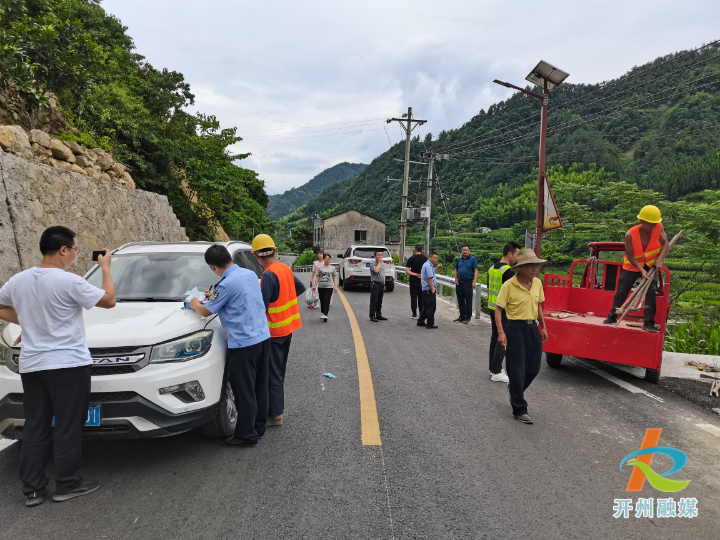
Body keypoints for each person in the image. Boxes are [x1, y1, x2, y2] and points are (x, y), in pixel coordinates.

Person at [0, 226, 116, 507]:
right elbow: (109, 300)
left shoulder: (19, 280)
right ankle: (67, 483)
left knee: (36, 426)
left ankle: (32, 490)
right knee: (67, 426)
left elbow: (1, 306)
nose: (76, 255)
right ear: (63, 249)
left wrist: (27, 319)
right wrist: (106, 268)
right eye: (75, 249)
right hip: (68, 365)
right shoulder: (69, 282)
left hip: (32, 365)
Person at [189, 245, 271, 448]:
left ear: (212, 266)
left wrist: (193, 302)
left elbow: (205, 312)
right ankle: (259, 428)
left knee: (244, 391)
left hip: (244, 344)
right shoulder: (249, 274)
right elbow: (238, 297)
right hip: (263, 337)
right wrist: (215, 294)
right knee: (260, 386)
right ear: (229, 257)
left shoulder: (225, 285)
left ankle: (245, 436)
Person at [252, 234, 306, 428]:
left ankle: (275, 415)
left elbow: (261, 306)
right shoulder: (284, 268)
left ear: (256, 257)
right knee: (279, 371)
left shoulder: (267, 275)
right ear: (274, 251)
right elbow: (300, 287)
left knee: (272, 374)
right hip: (287, 328)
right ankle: (275, 408)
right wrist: (284, 297)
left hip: (274, 332)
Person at [495, 249, 549, 425]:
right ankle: (519, 408)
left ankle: (515, 389)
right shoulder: (509, 285)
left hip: (532, 328)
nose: (535, 269)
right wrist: (501, 332)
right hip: (515, 328)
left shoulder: (537, 284)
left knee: (534, 367)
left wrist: (543, 327)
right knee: (516, 369)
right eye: (532, 266)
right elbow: (498, 309)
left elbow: (539, 307)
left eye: (537, 265)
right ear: (522, 267)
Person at [604, 205, 669, 333]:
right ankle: (613, 316)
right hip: (632, 265)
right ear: (642, 221)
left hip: (650, 265)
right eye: (650, 224)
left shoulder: (659, 227)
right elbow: (630, 255)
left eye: (655, 223)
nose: (653, 227)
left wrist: (659, 259)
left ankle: (649, 322)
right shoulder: (630, 234)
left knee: (651, 291)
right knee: (622, 291)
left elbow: (665, 243)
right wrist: (641, 269)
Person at [487, 241, 521, 383]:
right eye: (517, 254)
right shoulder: (508, 271)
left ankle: (492, 367)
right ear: (509, 253)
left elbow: (489, 290)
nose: (517, 258)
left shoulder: (491, 268)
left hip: (492, 307)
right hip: (503, 310)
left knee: (495, 337)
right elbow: (512, 294)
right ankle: (496, 371)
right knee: (503, 339)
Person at [454, 244, 479, 324]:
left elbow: (475, 270)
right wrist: (456, 279)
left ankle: (468, 317)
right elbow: (456, 270)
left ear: (469, 251)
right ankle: (462, 316)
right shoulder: (459, 259)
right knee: (460, 301)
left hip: (468, 283)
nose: (465, 251)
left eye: (466, 250)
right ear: (462, 251)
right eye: (463, 250)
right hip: (459, 283)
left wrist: (474, 281)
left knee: (468, 301)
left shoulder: (473, 259)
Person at [312, 253, 338, 321]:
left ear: (330, 259)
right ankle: (323, 312)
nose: (327, 259)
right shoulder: (320, 268)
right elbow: (317, 277)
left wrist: (335, 286)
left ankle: (325, 314)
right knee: (322, 300)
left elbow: (334, 277)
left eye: (329, 258)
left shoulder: (332, 268)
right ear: (323, 259)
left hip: (329, 287)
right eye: (326, 258)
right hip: (321, 287)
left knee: (327, 300)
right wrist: (315, 286)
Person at [417, 251, 439, 329]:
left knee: (426, 307)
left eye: (437, 258)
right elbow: (430, 278)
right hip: (429, 289)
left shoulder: (427, 265)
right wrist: (432, 288)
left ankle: (420, 321)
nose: (436, 260)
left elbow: (431, 273)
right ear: (430, 257)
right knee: (431, 307)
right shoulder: (429, 266)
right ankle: (430, 323)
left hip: (425, 289)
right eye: (434, 258)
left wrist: (437, 268)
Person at [405, 244, 427, 320]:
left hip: (413, 280)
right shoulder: (425, 259)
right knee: (421, 297)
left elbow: (407, 271)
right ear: (422, 250)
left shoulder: (411, 258)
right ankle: (421, 313)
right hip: (422, 280)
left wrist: (415, 274)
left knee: (414, 297)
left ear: (415, 250)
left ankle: (414, 314)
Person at [369, 249, 387, 322]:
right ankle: (372, 315)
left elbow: (383, 272)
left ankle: (378, 315)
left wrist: (384, 281)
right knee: (374, 301)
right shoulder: (372, 263)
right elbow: (376, 270)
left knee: (379, 300)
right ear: (375, 256)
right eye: (378, 255)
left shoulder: (382, 264)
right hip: (375, 284)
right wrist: (379, 263)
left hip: (381, 284)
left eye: (381, 255)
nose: (380, 256)